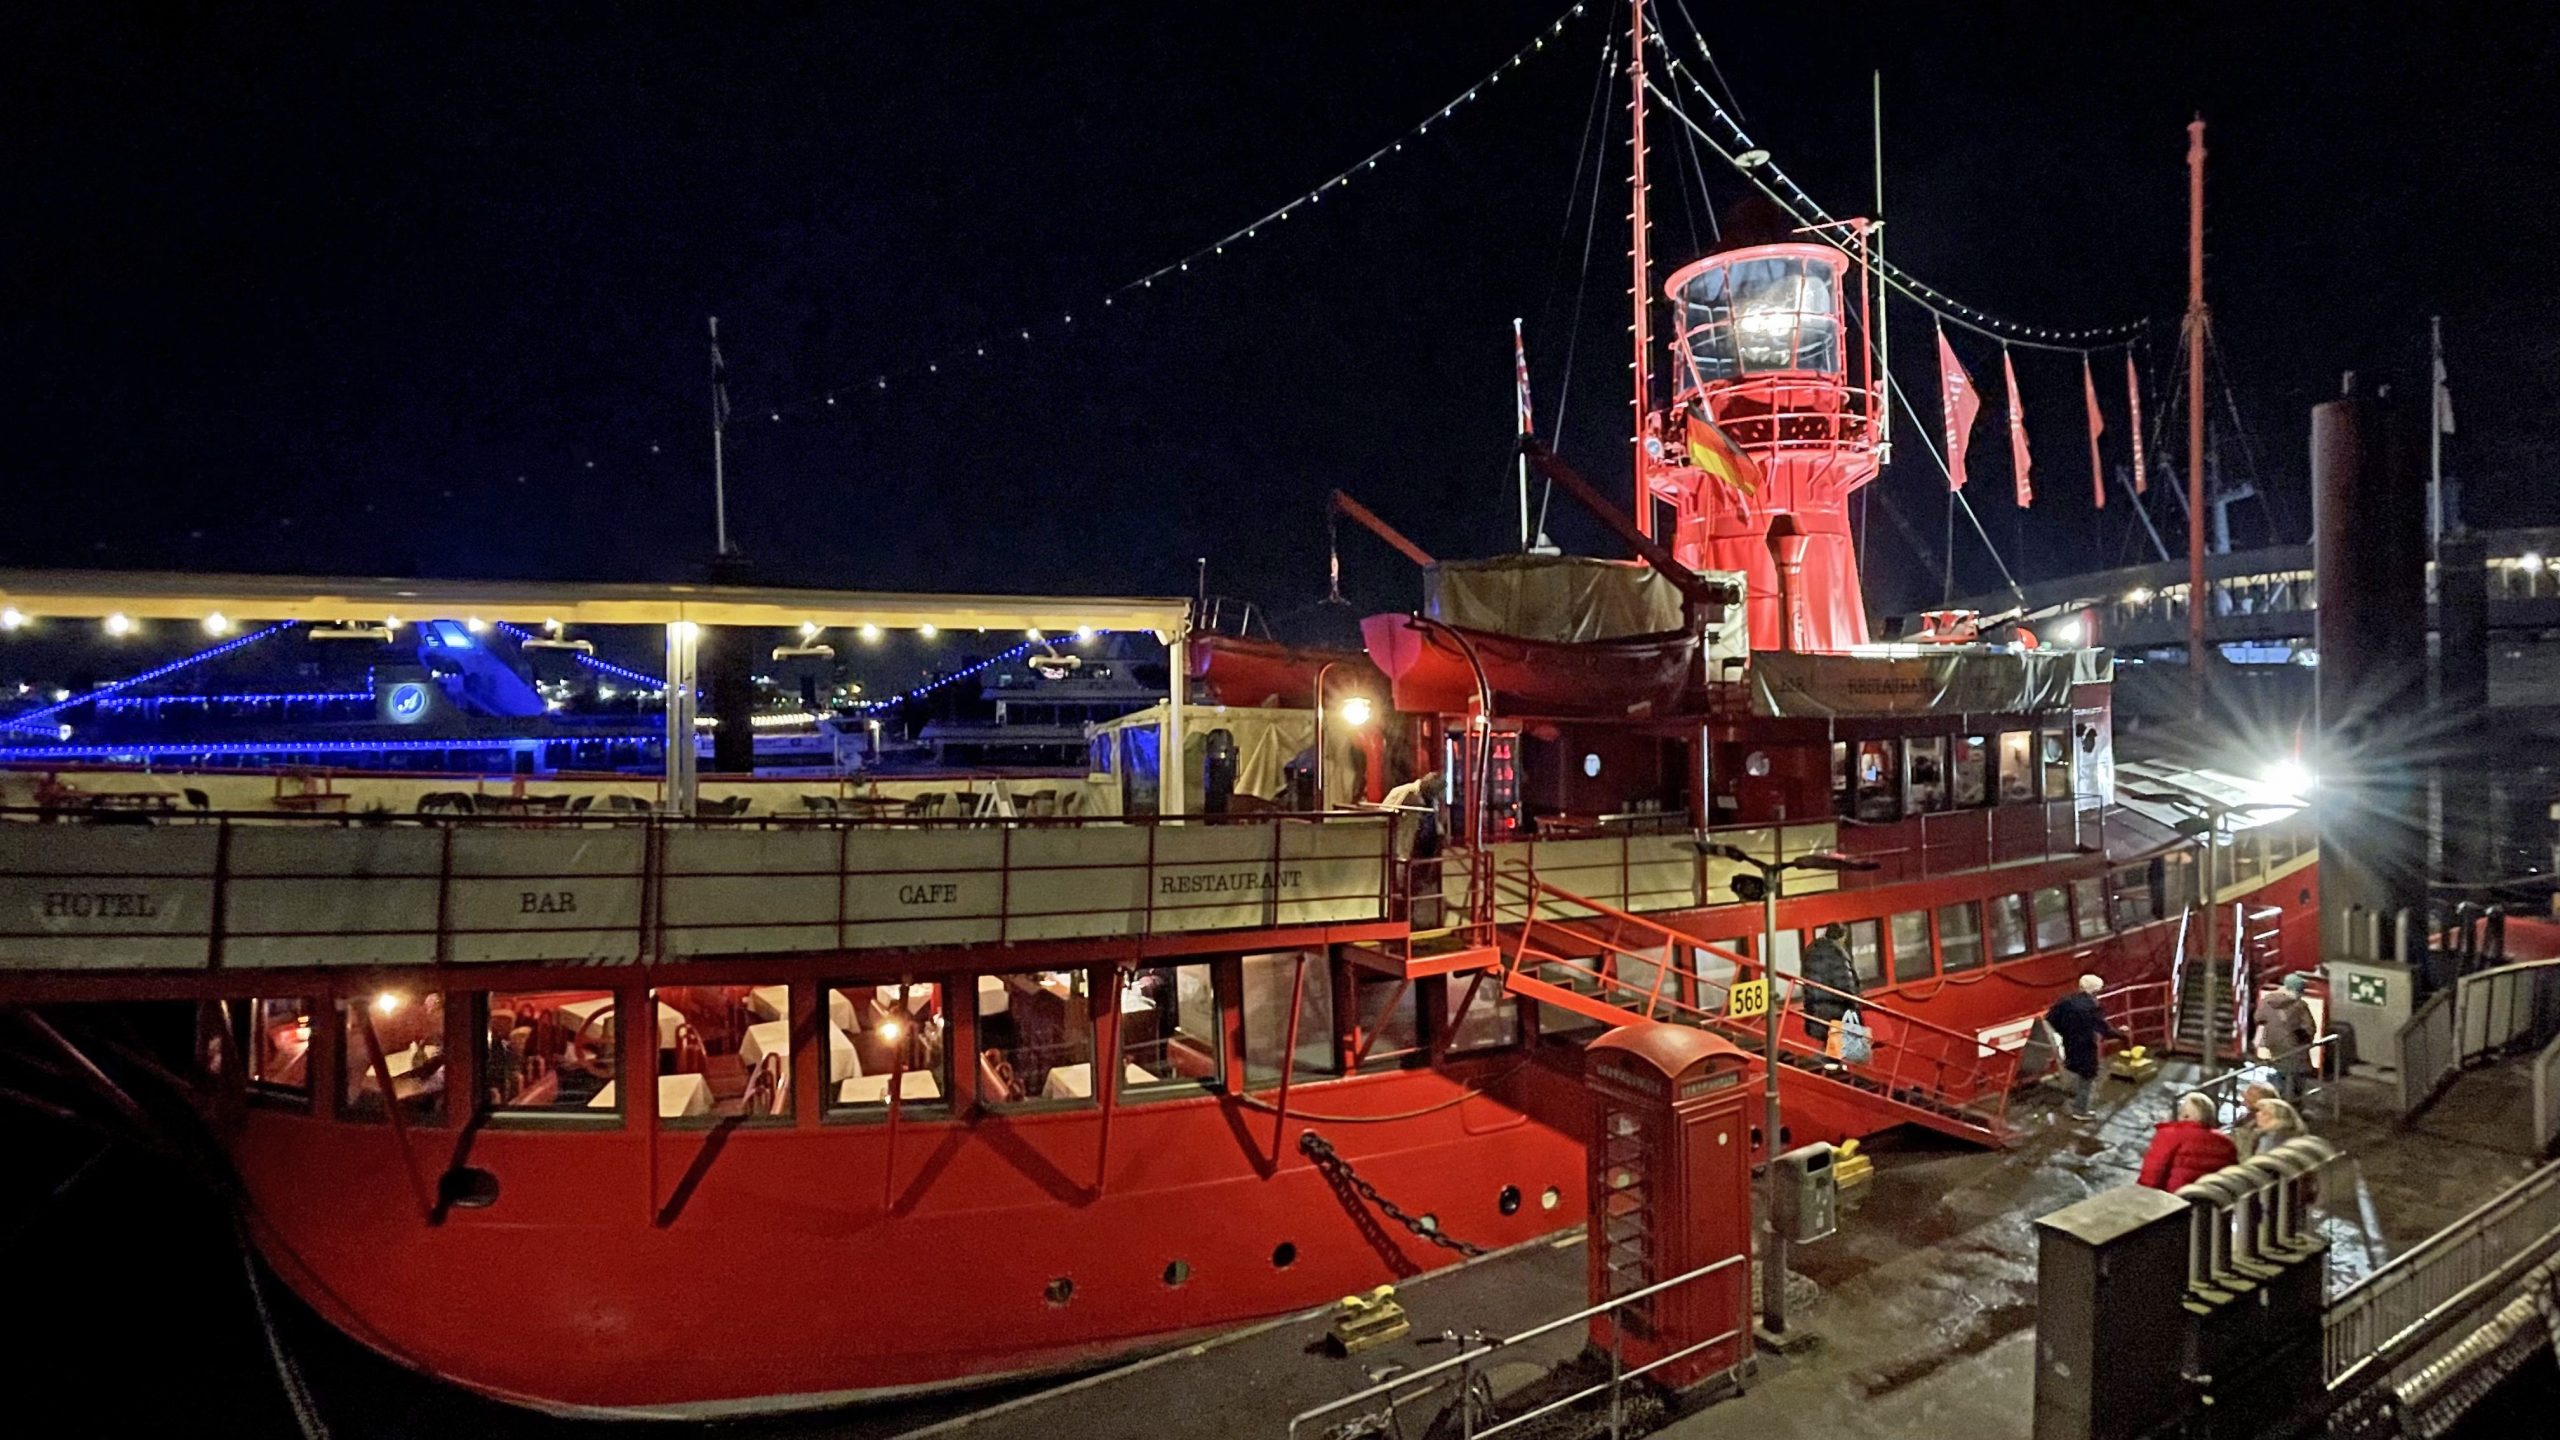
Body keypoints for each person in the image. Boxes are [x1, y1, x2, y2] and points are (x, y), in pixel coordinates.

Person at [2044, 974, 2122, 1120]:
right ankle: (2080, 1110)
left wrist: (2064, 1031)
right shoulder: (2092, 1007)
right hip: (2086, 1044)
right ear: (2095, 990)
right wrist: (2121, 1034)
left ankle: (2074, 1098)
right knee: (2088, 1075)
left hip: (2069, 1041)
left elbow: (2050, 1018)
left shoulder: (2065, 1001)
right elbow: (2103, 1028)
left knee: (2074, 1068)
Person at [2138, 1092, 2241, 1191]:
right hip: (2210, 1198)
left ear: (2186, 1116)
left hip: (2174, 1197)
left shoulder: (2170, 1134)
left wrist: (2141, 1195)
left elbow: (2152, 1174)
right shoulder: (2227, 1142)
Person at [2253, 973, 2319, 1100]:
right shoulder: (2300, 1005)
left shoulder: (2267, 1001)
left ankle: (2277, 1101)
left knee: (2279, 1077)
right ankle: (2292, 1104)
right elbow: (2310, 1028)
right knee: (2296, 1084)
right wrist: (2305, 1039)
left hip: (2274, 1048)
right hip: (2295, 1050)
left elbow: (2259, 1018)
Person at [1799, 923, 1861, 1049]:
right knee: (1847, 1049)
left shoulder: (1811, 950)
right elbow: (1845, 983)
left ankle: (1830, 1059)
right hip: (1836, 1009)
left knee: (1828, 1043)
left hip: (1815, 1008)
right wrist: (1855, 1003)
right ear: (1842, 937)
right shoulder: (1837, 954)